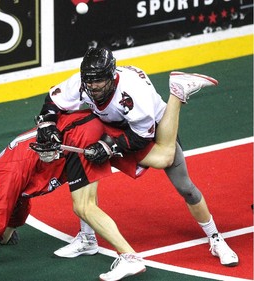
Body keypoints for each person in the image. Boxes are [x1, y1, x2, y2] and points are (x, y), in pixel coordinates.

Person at [35, 47, 238, 280]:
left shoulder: (132, 92)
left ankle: (215, 237)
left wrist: (108, 147)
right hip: (112, 128)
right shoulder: (83, 82)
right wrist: (47, 125)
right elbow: (53, 101)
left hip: (151, 129)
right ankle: (87, 238)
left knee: (183, 184)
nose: (93, 86)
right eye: (89, 81)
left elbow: (141, 136)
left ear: (111, 76)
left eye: (99, 81)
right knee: (86, 174)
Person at [0, 110, 138, 274]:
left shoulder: (6, 177)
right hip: (79, 133)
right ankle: (88, 239)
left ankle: (129, 257)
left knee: (84, 206)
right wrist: (5, 234)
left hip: (79, 138)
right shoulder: (9, 178)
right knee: (156, 158)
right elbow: (16, 211)